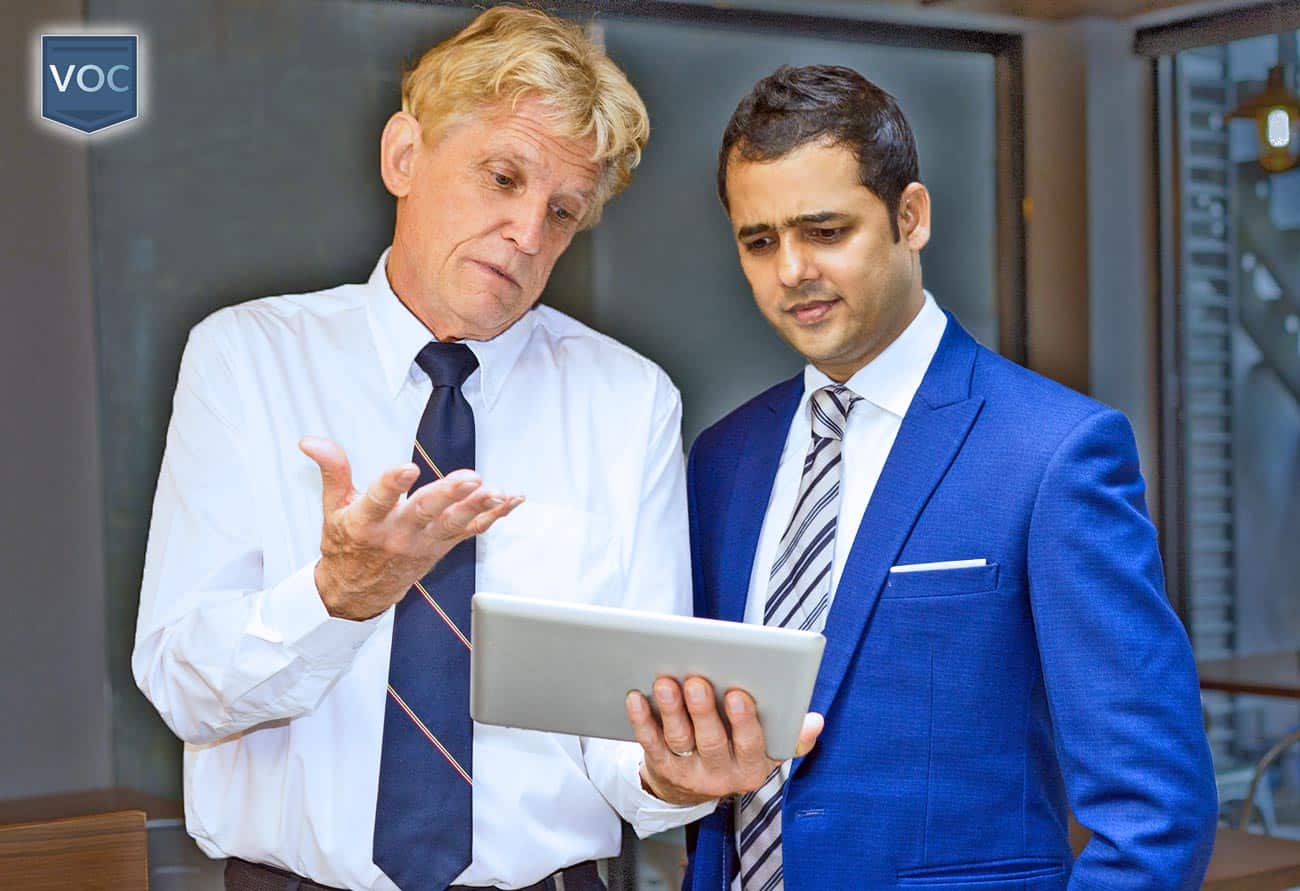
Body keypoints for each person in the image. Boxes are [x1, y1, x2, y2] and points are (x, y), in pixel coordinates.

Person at [133, 8, 737, 890]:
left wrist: (670, 776)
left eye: (562, 211)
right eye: (502, 177)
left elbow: (625, 740)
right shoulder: (245, 358)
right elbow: (184, 686)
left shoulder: (628, 399)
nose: (529, 234)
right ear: (404, 156)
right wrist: (335, 596)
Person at [675, 64, 1218, 889]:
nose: (790, 270)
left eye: (825, 231)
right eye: (760, 240)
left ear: (911, 217)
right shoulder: (722, 459)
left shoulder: (1056, 452)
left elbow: (1154, 809)